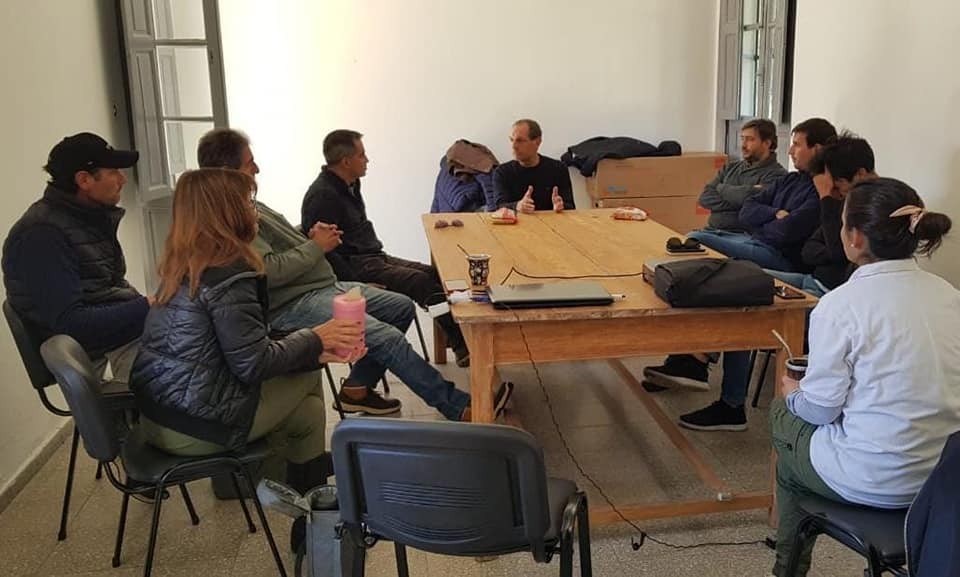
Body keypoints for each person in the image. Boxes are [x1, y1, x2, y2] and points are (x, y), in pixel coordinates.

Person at [198, 129, 508, 422]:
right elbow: (267, 271)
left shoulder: (254, 204)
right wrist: (316, 247)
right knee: (388, 334)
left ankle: (357, 388)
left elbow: (281, 246)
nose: (257, 169)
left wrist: (307, 236)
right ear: (228, 171)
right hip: (297, 301)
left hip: (324, 283)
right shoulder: (232, 217)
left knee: (401, 306)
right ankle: (460, 406)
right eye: (250, 163)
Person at [130, 168, 366, 551]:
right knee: (308, 378)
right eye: (247, 202)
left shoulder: (186, 264)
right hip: (196, 428)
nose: (255, 211)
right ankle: (313, 515)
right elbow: (252, 364)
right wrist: (315, 340)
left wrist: (311, 346)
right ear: (227, 212)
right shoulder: (229, 276)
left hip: (161, 417)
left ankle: (301, 501)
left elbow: (236, 349)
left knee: (307, 412)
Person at [770, 177, 960, 577]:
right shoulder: (950, 295)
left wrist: (793, 393)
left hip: (872, 478)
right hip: (943, 479)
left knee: (783, 421)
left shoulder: (839, 305)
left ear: (855, 237)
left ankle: (787, 566)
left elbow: (821, 410)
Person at [300, 129, 471, 367]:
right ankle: (463, 345)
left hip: (373, 256)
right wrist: (355, 285)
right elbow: (326, 253)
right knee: (420, 282)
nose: (367, 160)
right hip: (356, 267)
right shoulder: (323, 197)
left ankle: (457, 339)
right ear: (346, 161)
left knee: (434, 274)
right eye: (362, 155)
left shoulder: (350, 183)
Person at [2, 132, 147, 383]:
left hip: (119, 339)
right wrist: (148, 306)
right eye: (114, 172)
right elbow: (71, 324)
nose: (123, 179)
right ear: (84, 180)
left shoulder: (86, 218)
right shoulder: (42, 236)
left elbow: (107, 290)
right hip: (96, 353)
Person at [688, 118, 837, 271]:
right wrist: (774, 213)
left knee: (696, 239)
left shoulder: (821, 189)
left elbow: (785, 231)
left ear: (817, 149)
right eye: (742, 139)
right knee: (688, 239)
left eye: (797, 145)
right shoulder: (790, 179)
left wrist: (722, 189)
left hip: (776, 254)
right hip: (751, 240)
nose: (790, 151)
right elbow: (745, 210)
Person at [766, 133, 877, 297]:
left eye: (837, 186)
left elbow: (840, 253)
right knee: (751, 276)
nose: (835, 193)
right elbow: (809, 250)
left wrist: (825, 197)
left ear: (860, 174)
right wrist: (832, 254)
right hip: (812, 279)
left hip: (831, 293)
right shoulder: (845, 197)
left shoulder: (876, 207)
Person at [697, 118, 787, 233]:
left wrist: (722, 188)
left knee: (693, 237)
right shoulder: (730, 167)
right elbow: (704, 198)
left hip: (744, 236)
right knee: (684, 241)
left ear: (767, 143)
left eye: (750, 140)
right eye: (742, 139)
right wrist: (744, 199)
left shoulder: (778, 175)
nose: (743, 145)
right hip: (712, 230)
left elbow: (756, 209)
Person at [493, 119, 575, 213]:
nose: (514, 146)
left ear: (537, 142)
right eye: (511, 140)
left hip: (551, 221)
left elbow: (570, 206)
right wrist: (517, 206)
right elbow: (499, 206)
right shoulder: (502, 172)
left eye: (520, 141)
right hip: (517, 222)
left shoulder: (558, 169)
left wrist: (561, 207)